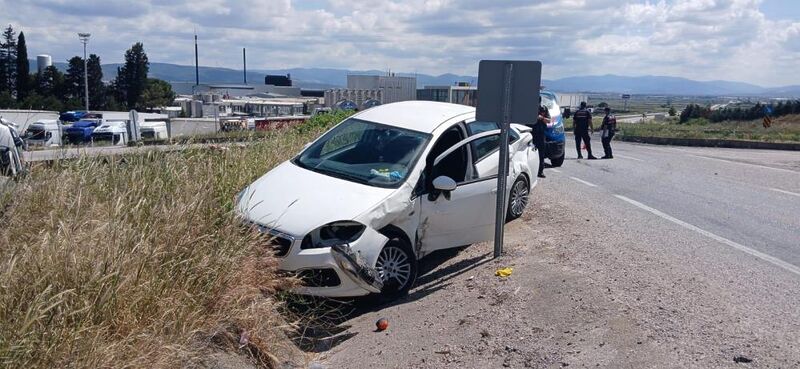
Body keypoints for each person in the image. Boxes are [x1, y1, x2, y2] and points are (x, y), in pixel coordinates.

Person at [532, 104, 549, 178]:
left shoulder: (544, 108)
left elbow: (549, 120)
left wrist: (541, 118)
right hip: (531, 134)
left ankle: (540, 171)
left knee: (541, 155)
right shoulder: (531, 108)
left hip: (541, 135)